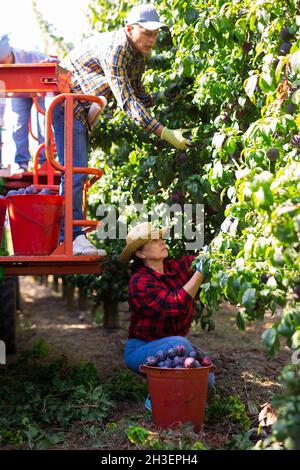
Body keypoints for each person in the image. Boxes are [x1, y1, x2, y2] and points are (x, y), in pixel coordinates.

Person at [52, 3, 192, 256]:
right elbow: (127, 102)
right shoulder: (116, 49)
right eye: (147, 33)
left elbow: (139, 96)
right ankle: (70, 238)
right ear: (129, 29)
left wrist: (166, 96)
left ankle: (72, 237)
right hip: (66, 104)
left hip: (81, 110)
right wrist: (164, 132)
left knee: (78, 173)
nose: (152, 39)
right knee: (75, 171)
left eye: (155, 33)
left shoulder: (138, 54)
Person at [120, 222, 215, 411]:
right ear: (141, 254)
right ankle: (155, 401)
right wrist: (200, 273)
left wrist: (221, 239)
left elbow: (202, 259)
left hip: (173, 344)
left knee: (208, 379)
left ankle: (181, 402)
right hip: (142, 349)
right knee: (179, 345)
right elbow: (175, 305)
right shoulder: (139, 282)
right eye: (154, 241)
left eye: (161, 238)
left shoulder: (174, 268)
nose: (162, 242)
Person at [0, 34, 51, 172]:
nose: (4, 65)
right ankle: (22, 163)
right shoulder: (1, 70)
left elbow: (54, 63)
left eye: (5, 61)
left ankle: (45, 161)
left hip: (41, 90)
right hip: (20, 92)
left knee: (44, 123)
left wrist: (52, 65)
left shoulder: (30, 56)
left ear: (10, 54)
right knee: (18, 123)